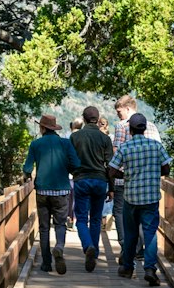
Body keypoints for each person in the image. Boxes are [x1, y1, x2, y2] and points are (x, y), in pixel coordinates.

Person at [110, 112, 171, 287]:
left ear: (130, 129)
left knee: (131, 234)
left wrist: (126, 174)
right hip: (151, 198)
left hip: (131, 198)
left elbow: (112, 171)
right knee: (150, 234)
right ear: (145, 128)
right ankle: (150, 269)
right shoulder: (156, 146)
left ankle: (128, 268)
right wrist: (152, 173)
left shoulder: (125, 148)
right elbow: (166, 169)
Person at [23, 113, 80, 273]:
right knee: (60, 224)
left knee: (44, 227)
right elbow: (76, 164)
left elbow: (27, 168)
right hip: (62, 190)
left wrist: (27, 175)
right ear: (53, 128)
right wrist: (66, 168)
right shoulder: (65, 143)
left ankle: (46, 263)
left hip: (42, 190)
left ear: (42, 128)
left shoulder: (36, 144)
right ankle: (59, 247)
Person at [111, 94, 162, 254]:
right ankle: (145, 257)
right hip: (150, 185)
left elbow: (116, 152)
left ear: (127, 109)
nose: (118, 115)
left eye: (119, 112)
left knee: (123, 215)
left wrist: (120, 175)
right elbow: (162, 158)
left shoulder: (121, 126)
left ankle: (127, 250)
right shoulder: (152, 127)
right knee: (147, 223)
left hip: (128, 183)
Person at [69, 104, 113, 271]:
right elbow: (110, 165)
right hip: (100, 181)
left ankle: (88, 246)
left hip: (81, 180)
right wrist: (112, 188)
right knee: (96, 218)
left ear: (84, 118)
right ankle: (93, 253)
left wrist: (75, 172)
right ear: (97, 118)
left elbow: (70, 160)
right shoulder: (105, 139)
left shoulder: (75, 137)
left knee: (81, 218)